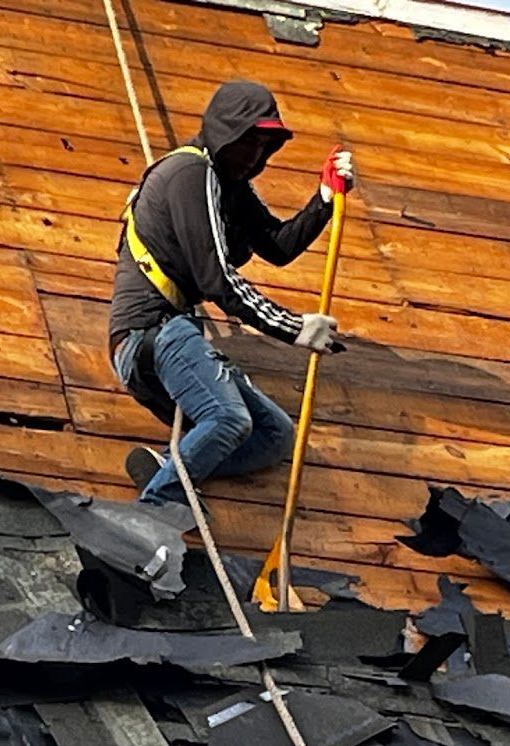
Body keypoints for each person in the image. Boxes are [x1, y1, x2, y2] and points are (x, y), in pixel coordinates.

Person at [107, 80, 352, 507]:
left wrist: (325, 198)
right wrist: (294, 327)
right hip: (150, 336)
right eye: (248, 143)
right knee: (228, 418)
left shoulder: (227, 186)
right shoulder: (190, 173)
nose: (254, 157)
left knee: (274, 437)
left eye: (263, 148)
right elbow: (215, 280)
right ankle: (158, 506)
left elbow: (276, 245)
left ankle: (168, 464)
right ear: (224, 132)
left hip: (172, 341)